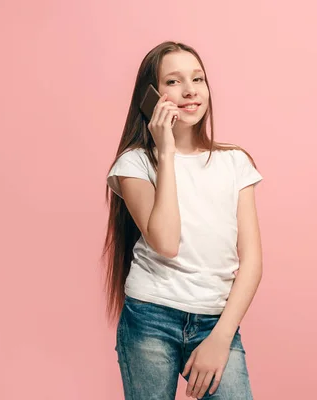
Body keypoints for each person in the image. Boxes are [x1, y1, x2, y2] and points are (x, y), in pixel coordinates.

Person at [103, 41, 263, 400]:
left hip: (214, 321)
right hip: (150, 316)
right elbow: (166, 242)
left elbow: (252, 261)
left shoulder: (235, 162)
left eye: (198, 78)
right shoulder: (135, 165)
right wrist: (167, 152)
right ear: (151, 96)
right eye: (173, 82)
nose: (190, 90)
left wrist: (221, 338)